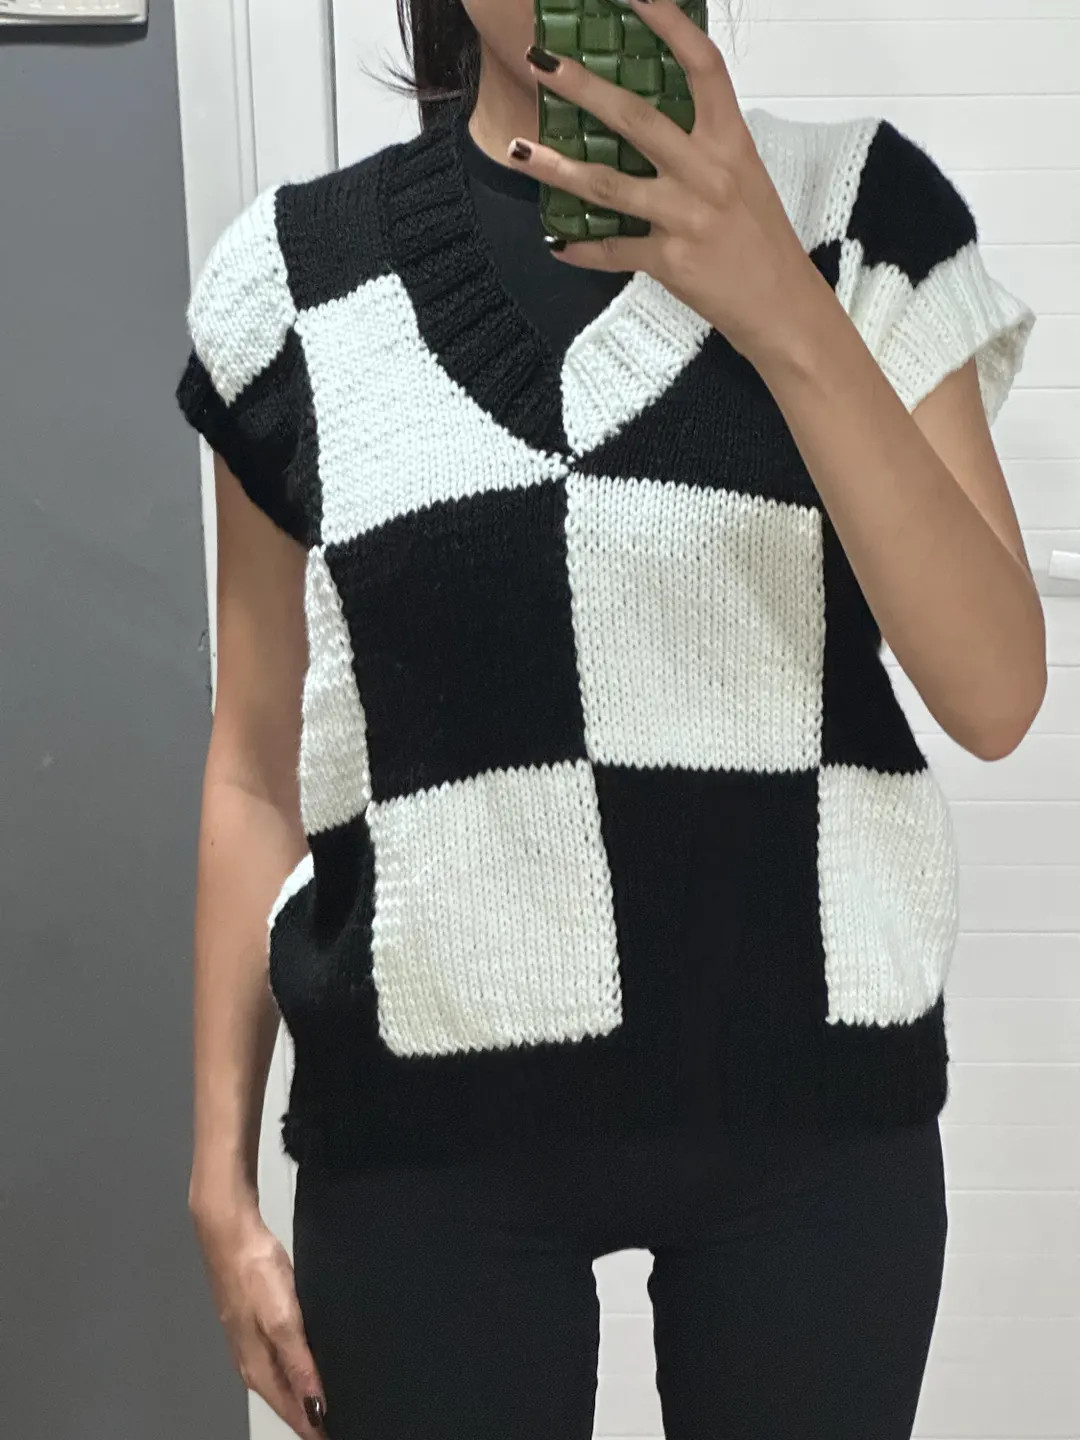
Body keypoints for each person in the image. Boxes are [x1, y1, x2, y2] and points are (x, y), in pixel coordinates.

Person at [177, 2, 1043, 1437]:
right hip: (420, 1137)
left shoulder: (858, 218)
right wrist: (218, 1175)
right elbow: (257, 765)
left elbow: (997, 692)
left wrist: (781, 303)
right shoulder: (296, 281)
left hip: (813, 1110)